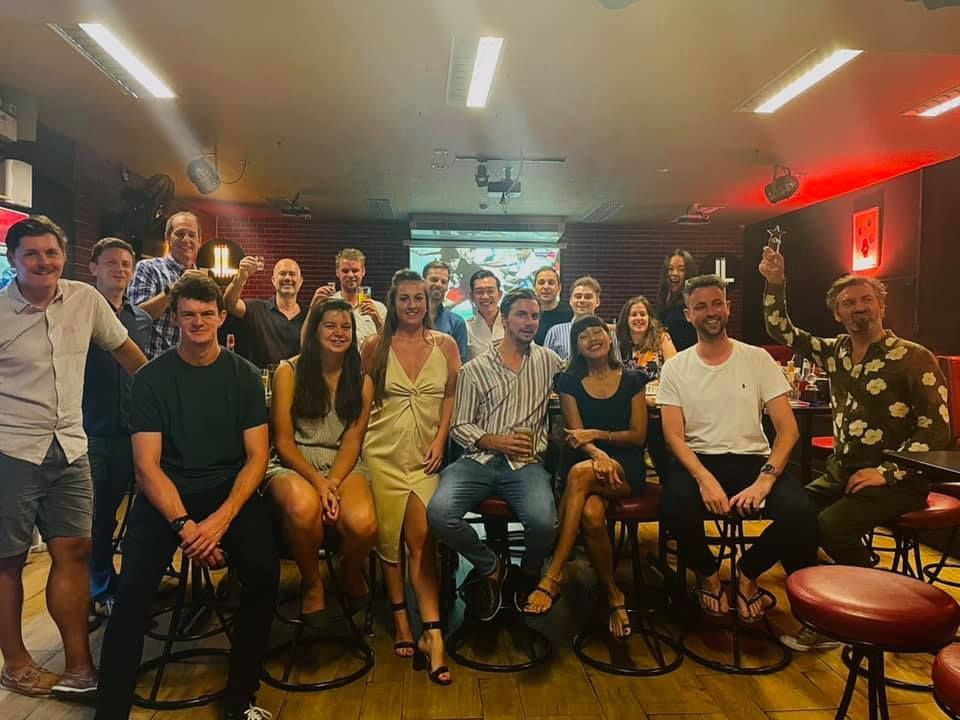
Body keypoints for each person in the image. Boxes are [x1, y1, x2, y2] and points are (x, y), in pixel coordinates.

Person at [96, 274, 279, 720]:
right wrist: (186, 527)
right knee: (132, 589)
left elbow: (257, 458)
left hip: (228, 493)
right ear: (175, 318)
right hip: (166, 496)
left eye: (206, 314)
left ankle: (240, 697)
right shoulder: (151, 379)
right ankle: (111, 709)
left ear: (221, 316)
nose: (198, 322)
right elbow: (147, 467)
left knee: (264, 572)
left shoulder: (244, 375)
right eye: (188, 314)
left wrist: (219, 522)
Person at [758, 247, 952, 650]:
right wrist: (775, 283)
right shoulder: (836, 352)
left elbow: (937, 430)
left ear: (882, 306)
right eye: (848, 303)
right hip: (841, 471)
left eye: (866, 300)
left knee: (832, 527)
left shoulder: (914, 358)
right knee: (794, 518)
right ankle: (821, 612)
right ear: (837, 313)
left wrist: (887, 472)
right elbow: (781, 331)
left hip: (899, 480)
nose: (858, 308)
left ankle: (879, 616)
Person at [0, 216, 146, 699]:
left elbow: (129, 354)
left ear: (64, 256)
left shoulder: (85, 299)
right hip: (11, 450)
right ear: (13, 260)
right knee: (8, 560)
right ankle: (15, 662)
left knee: (76, 552)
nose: (43, 262)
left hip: (71, 447)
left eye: (51, 253)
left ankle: (80, 666)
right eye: (32, 254)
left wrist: (164, 401)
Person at [658, 274, 818, 622]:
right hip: (698, 460)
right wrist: (704, 479)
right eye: (701, 306)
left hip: (752, 461)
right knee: (674, 506)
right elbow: (673, 436)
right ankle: (708, 575)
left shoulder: (758, 359)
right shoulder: (676, 367)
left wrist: (766, 480)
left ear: (728, 308)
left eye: (717, 303)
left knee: (801, 512)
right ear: (688, 315)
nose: (711, 312)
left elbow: (788, 430)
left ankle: (748, 572)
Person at [428, 288, 561, 621]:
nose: (529, 322)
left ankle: (528, 572)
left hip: (526, 464)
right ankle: (491, 566)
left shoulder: (549, 362)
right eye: (521, 314)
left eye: (535, 316)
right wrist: (492, 440)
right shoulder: (474, 369)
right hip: (477, 461)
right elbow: (459, 425)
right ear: (504, 319)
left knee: (544, 522)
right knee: (440, 513)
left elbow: (579, 380)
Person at [362, 270, 460, 685]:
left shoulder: (445, 345)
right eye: (404, 298)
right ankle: (402, 619)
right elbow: (363, 404)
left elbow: (451, 394)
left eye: (418, 297)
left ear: (428, 302)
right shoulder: (374, 346)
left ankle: (432, 634)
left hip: (424, 458)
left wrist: (441, 439)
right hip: (382, 454)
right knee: (389, 542)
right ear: (393, 302)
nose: (412, 305)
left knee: (421, 541)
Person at [524, 316, 647, 639]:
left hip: (625, 467)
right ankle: (614, 595)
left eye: (598, 332)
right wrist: (598, 455)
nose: (593, 338)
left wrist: (600, 437)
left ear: (609, 338)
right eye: (583, 335)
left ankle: (553, 573)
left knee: (579, 475)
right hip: (588, 460)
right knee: (592, 514)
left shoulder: (633, 379)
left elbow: (637, 436)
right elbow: (576, 436)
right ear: (576, 346)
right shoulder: (568, 381)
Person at [264, 298, 378, 626]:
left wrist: (333, 483)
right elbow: (283, 441)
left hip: (342, 464)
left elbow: (352, 441)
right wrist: (319, 484)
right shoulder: (289, 370)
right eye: (330, 325)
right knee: (304, 508)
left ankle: (349, 571)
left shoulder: (363, 379)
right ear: (314, 330)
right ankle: (312, 582)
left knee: (364, 525)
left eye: (346, 327)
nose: (339, 332)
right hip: (293, 462)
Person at [82, 238, 152, 625]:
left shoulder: (141, 320)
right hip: (92, 429)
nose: (120, 269)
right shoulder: (81, 314)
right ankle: (99, 589)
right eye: (111, 262)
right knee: (96, 517)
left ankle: (127, 589)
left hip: (133, 432)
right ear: (93, 267)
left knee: (134, 515)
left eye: (126, 263)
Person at [128, 210, 210, 358]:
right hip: (153, 362)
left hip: (190, 363)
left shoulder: (203, 280)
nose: (186, 239)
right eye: (179, 234)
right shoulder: (148, 268)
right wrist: (175, 288)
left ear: (199, 241)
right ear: (168, 238)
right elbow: (136, 319)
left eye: (192, 235)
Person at [615, 295, 677, 482]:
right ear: (626, 319)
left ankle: (664, 477)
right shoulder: (618, 342)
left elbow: (675, 370)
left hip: (657, 402)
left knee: (657, 434)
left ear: (650, 317)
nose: (639, 318)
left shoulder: (661, 338)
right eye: (633, 314)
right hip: (627, 404)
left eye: (643, 314)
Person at [223, 255, 306, 368]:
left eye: (292, 274)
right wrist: (241, 277)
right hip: (262, 378)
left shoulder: (309, 315)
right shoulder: (256, 309)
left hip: (299, 378)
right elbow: (229, 304)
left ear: (300, 282)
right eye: (282, 274)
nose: (287, 278)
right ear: (273, 280)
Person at [310, 247, 385, 346]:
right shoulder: (327, 305)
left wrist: (378, 320)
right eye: (345, 271)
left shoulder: (379, 309)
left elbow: (391, 347)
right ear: (337, 272)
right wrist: (312, 309)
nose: (350, 275)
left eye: (355, 270)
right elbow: (309, 342)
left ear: (363, 271)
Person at [544, 276, 604, 361]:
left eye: (588, 297)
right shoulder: (555, 333)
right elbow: (546, 364)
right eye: (578, 296)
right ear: (570, 301)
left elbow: (616, 365)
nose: (582, 300)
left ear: (597, 302)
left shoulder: (607, 333)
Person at [423, 260, 468, 362]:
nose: (439, 284)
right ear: (423, 282)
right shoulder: (410, 317)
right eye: (434, 280)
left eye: (443, 282)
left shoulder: (456, 322)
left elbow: (461, 362)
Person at [656, 249, 698, 351]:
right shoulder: (664, 301)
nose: (674, 273)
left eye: (681, 269)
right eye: (670, 269)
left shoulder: (692, 303)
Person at [464, 269, 503, 360]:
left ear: (500, 294)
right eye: (479, 292)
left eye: (490, 291)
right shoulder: (466, 328)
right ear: (472, 297)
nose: (485, 296)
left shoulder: (513, 324)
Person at [532, 266, 572, 346]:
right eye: (541, 283)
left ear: (559, 288)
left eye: (551, 283)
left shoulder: (570, 312)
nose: (546, 287)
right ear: (534, 287)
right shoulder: (528, 313)